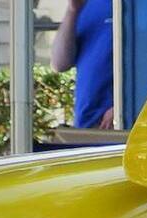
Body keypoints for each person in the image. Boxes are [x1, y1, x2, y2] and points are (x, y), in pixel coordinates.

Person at [50, 0, 115, 129]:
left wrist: (121, 108)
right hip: (88, 122)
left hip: (123, 121)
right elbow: (60, 63)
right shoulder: (85, 4)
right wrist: (72, 10)